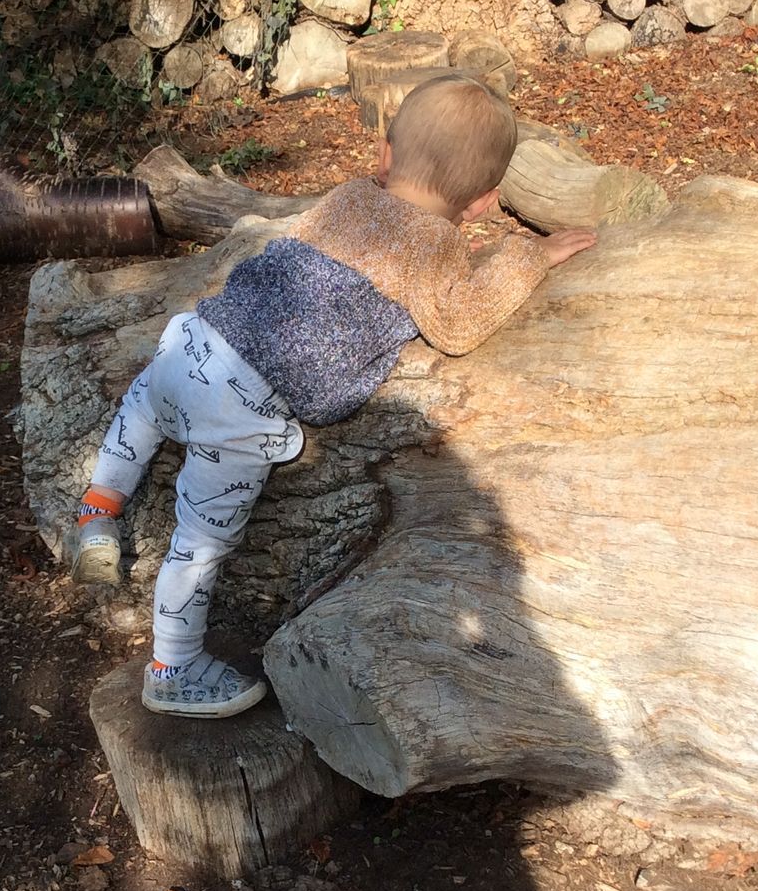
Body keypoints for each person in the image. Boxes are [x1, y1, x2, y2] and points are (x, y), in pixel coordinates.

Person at [71, 72, 597, 718]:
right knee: (199, 542)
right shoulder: (435, 244)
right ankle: (172, 668)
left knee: (140, 412)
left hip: (195, 342)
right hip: (239, 409)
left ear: (382, 156)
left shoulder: (347, 196)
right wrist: (527, 259)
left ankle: (97, 509)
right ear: (486, 202)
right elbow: (459, 327)